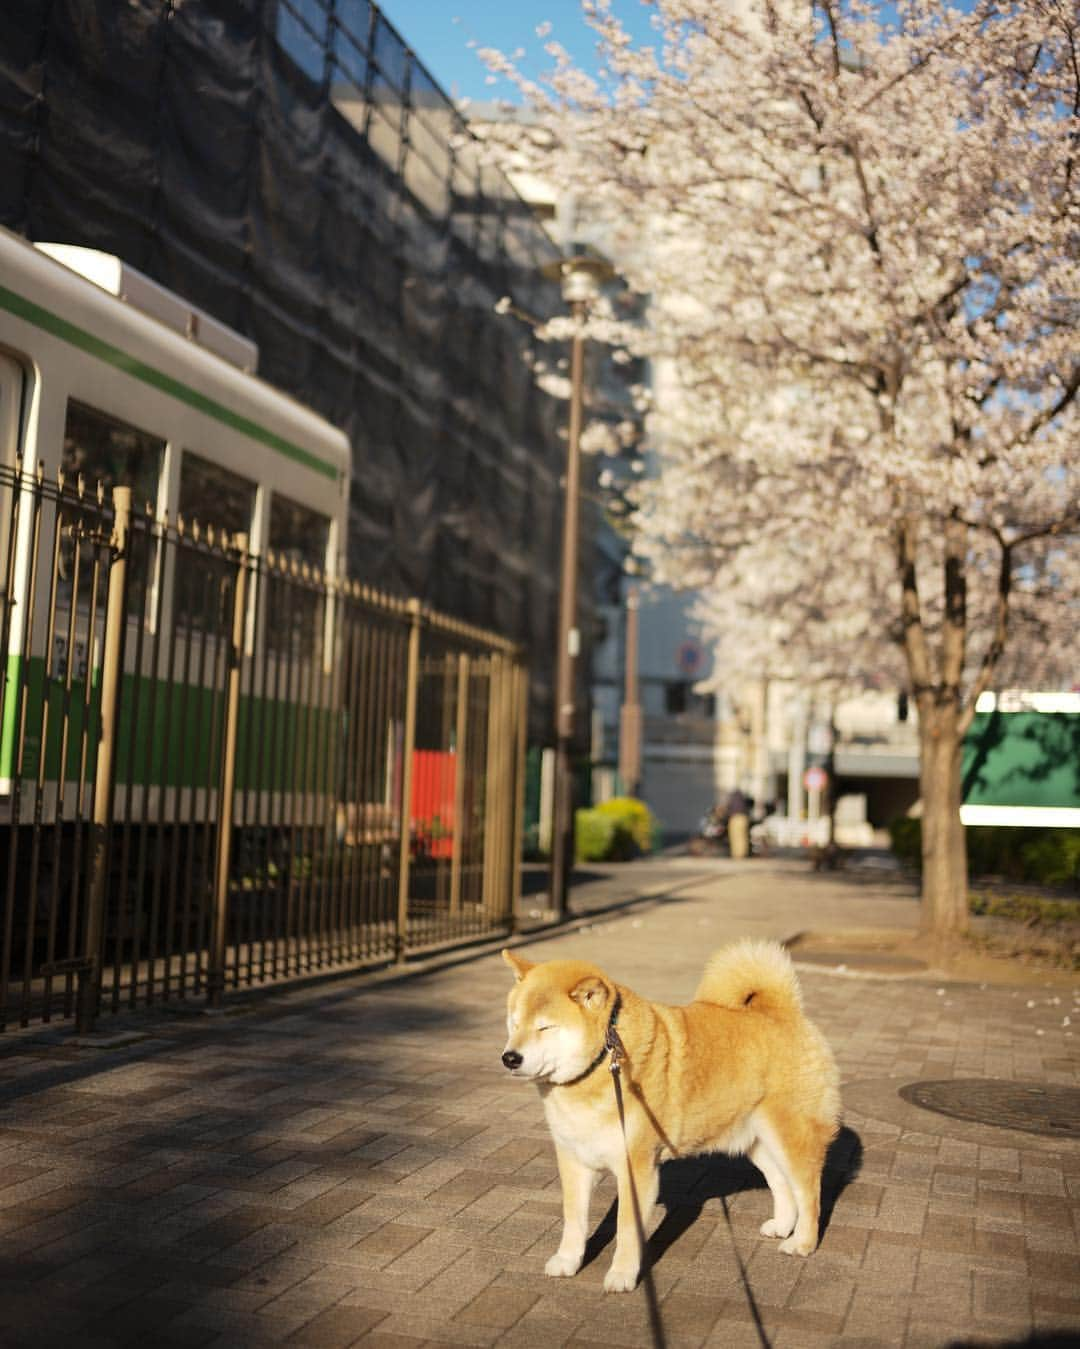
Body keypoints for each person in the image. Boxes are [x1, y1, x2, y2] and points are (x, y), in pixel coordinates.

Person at [725, 787, 750, 860]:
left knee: (735, 837)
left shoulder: (733, 798)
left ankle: (737, 854)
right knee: (743, 837)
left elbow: (729, 808)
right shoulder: (742, 798)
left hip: (735, 818)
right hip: (743, 818)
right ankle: (742, 853)